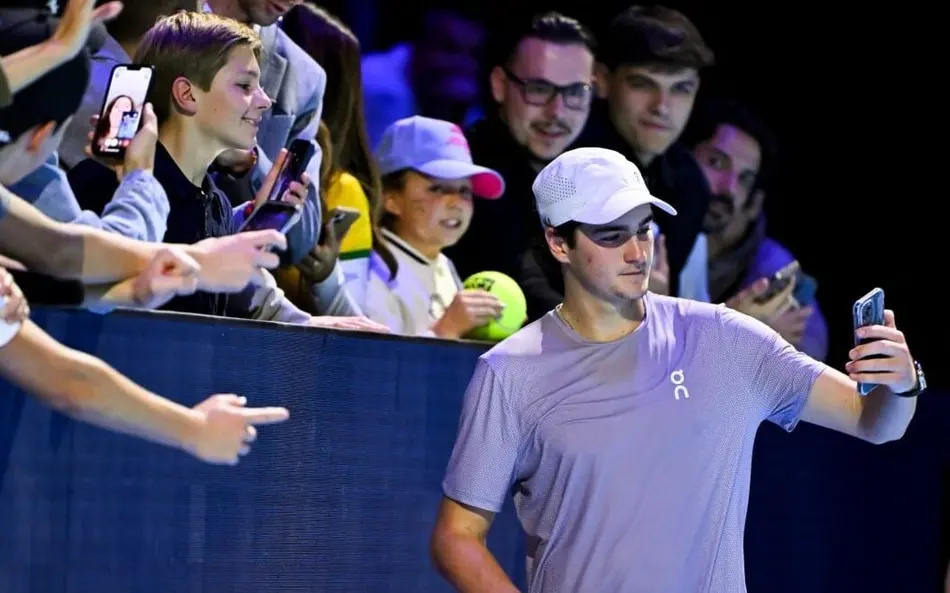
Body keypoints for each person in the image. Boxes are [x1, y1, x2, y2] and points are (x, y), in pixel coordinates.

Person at [431, 147, 925, 592]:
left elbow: (873, 422)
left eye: (644, 228)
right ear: (559, 244)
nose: (637, 252)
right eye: (611, 235)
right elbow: (457, 537)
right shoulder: (509, 372)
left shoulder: (727, 338)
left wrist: (902, 382)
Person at [364, 116, 505, 338]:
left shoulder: (442, 264)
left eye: (465, 191)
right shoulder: (372, 270)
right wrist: (446, 329)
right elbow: (376, 366)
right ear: (389, 197)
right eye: (437, 189)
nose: (457, 203)